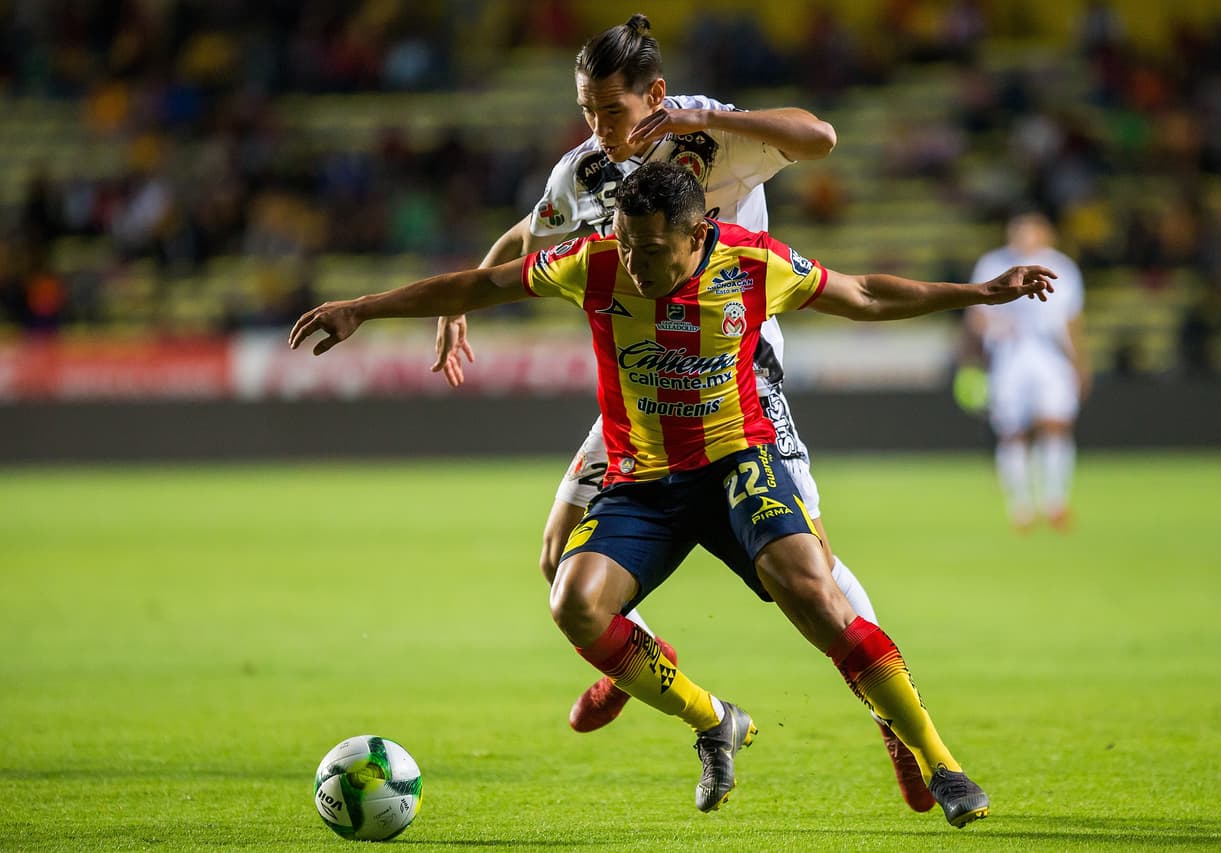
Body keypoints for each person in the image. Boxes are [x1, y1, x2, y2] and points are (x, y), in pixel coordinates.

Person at [290, 161, 1057, 827]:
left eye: (652, 250)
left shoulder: (753, 263)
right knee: (572, 601)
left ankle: (940, 762)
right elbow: (485, 282)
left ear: (696, 236)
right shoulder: (593, 262)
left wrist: (980, 293)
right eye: (626, 244)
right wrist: (365, 306)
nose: (635, 263)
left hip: (737, 463)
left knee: (814, 589)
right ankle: (714, 719)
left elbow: (862, 293)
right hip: (643, 479)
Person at [427, 13, 931, 809]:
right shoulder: (587, 169)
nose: (599, 127)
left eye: (611, 110)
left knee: (815, 566)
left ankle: (892, 720)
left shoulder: (710, 132)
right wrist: (461, 301)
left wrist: (705, 117)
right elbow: (531, 232)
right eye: (587, 110)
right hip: (647, 386)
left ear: (655, 94)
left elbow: (819, 137)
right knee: (558, 556)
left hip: (736, 373)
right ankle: (640, 660)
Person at [965, 210, 1089, 531]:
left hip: (1051, 353)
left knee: (1056, 424)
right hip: (1009, 354)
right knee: (1012, 431)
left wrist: (1079, 363)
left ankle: (1055, 501)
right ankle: (1020, 506)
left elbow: (1072, 321)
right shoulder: (993, 264)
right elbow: (977, 315)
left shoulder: (1064, 268)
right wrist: (984, 345)